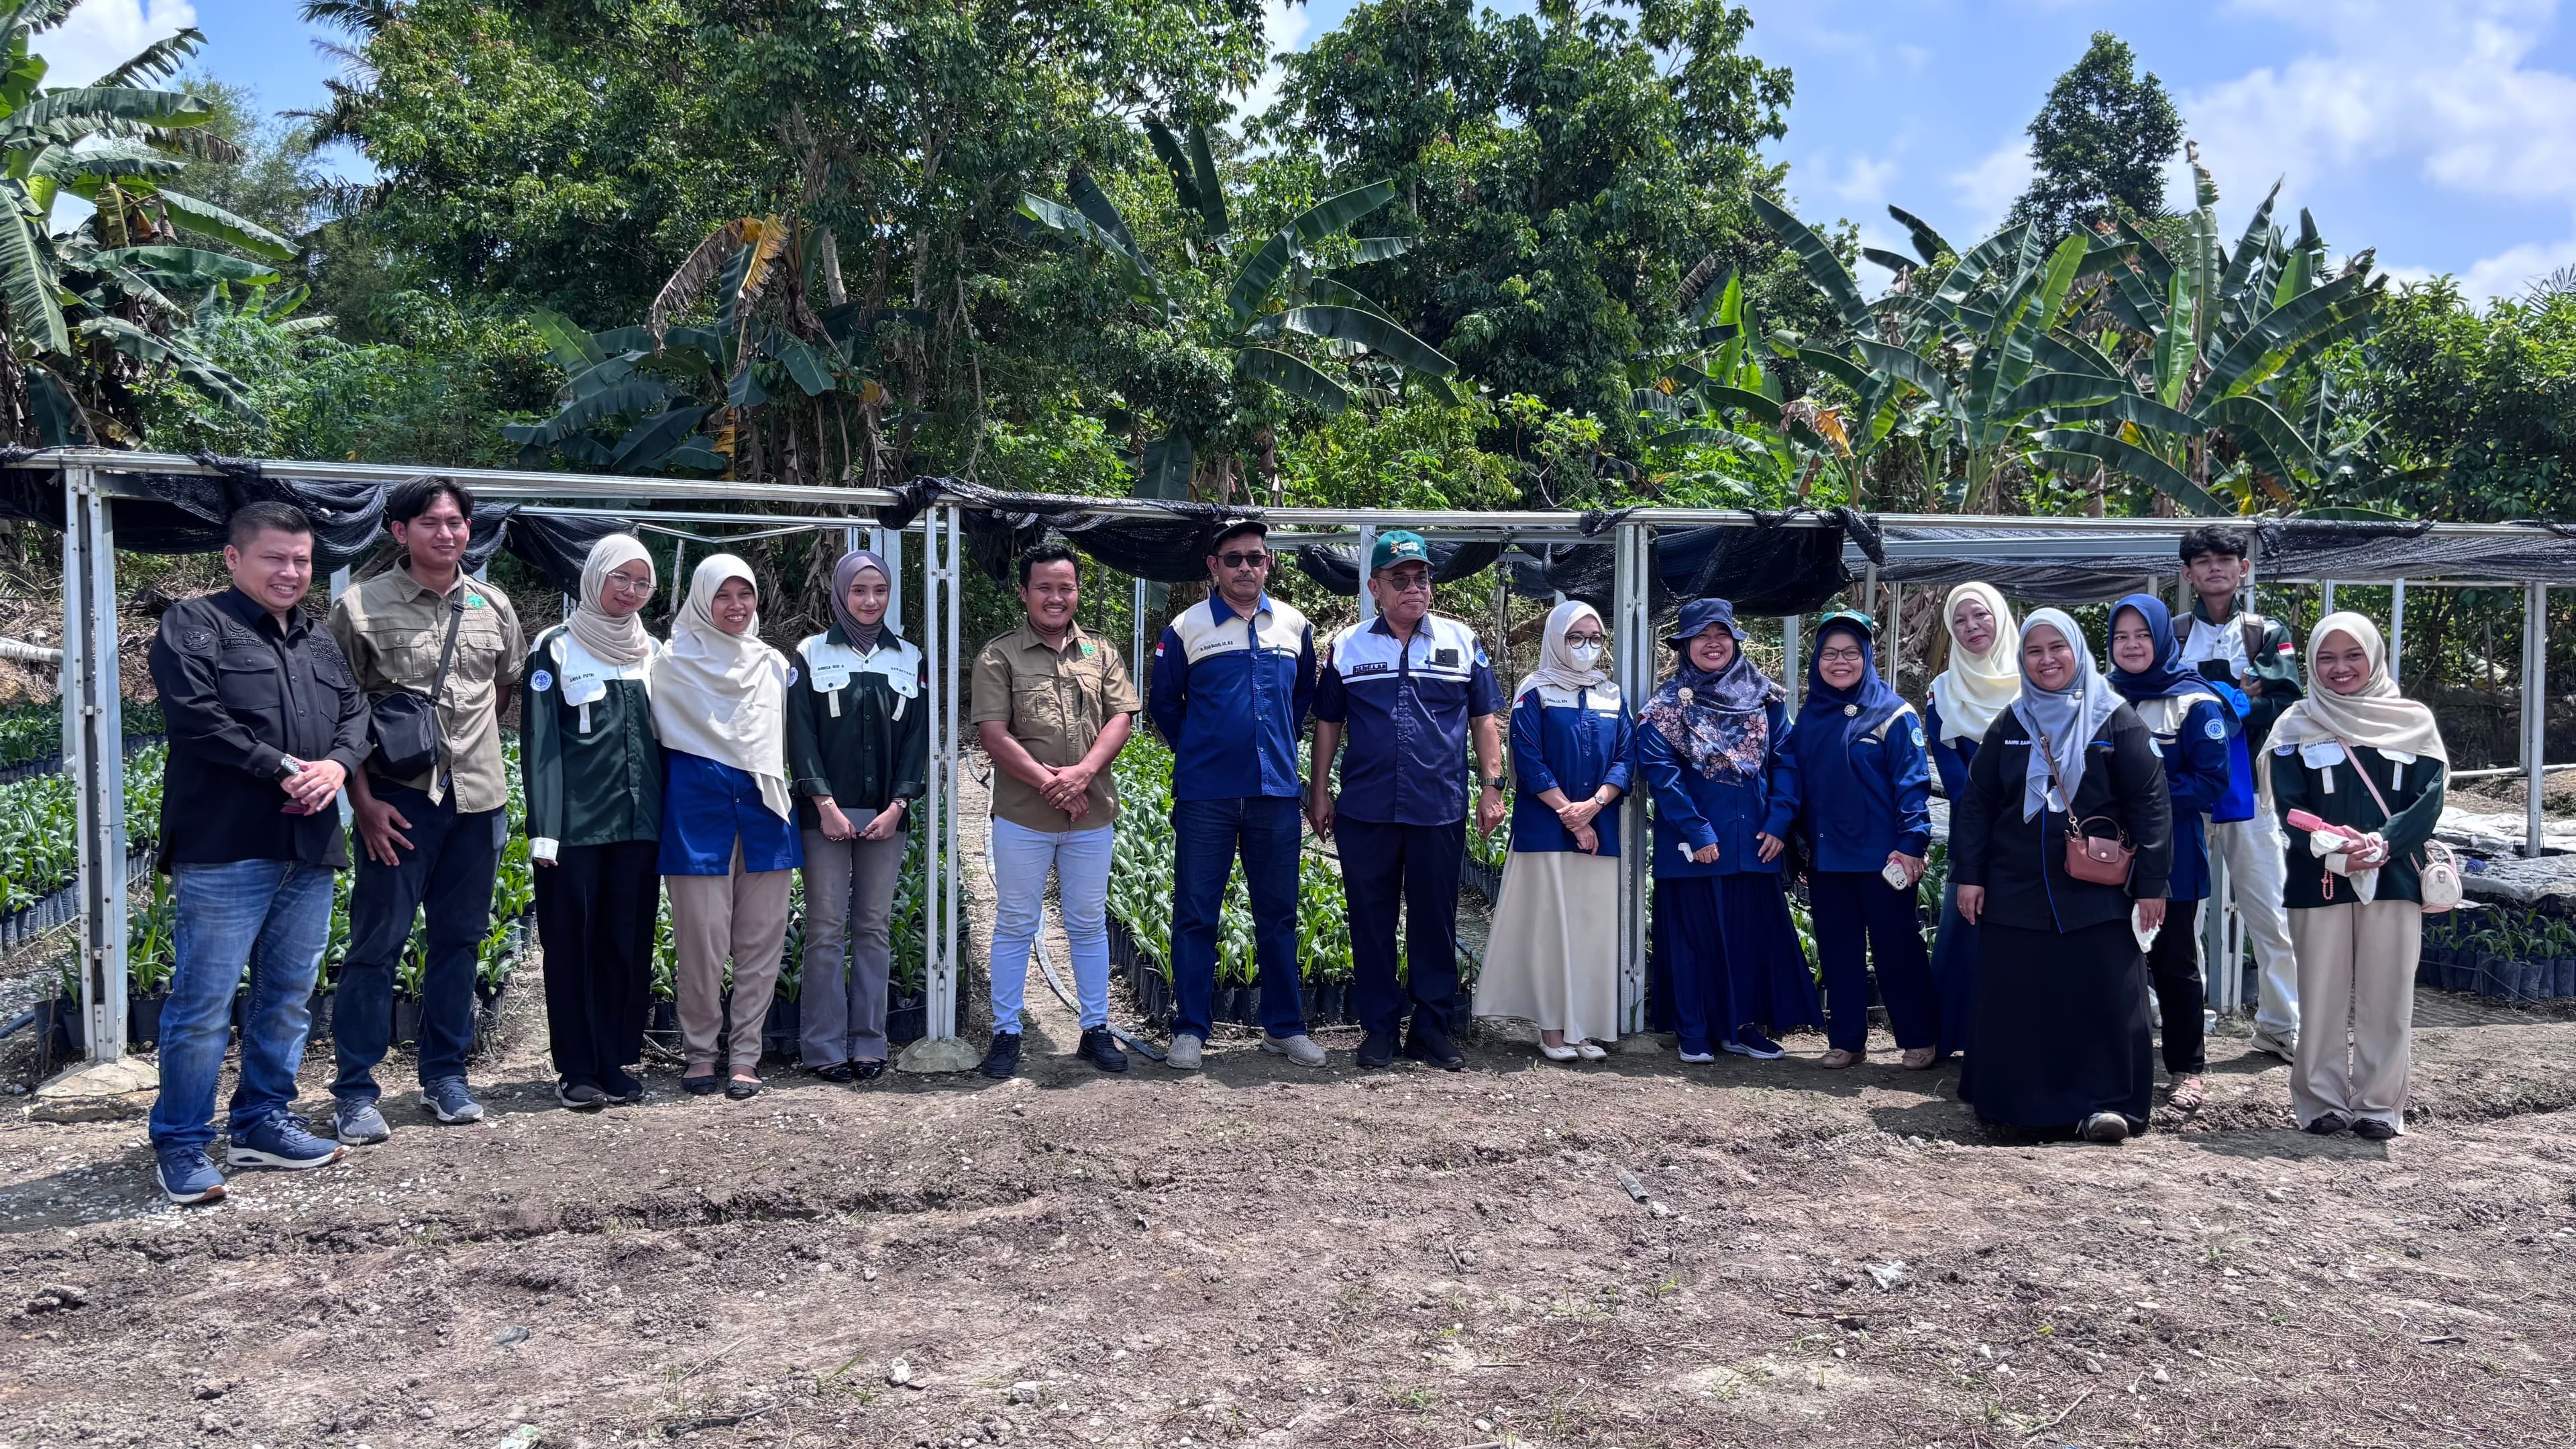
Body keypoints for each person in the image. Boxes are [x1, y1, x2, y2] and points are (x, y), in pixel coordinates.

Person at [143, 502, 368, 1203]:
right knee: (204, 1002)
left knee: (288, 998)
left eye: (302, 560)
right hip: (226, 846)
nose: (291, 572)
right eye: (276, 558)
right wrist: (280, 766)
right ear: (234, 559)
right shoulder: (194, 624)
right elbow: (195, 716)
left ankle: (261, 1122)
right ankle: (181, 1142)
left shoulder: (318, 637)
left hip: (308, 844)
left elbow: (357, 711)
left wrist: (335, 766)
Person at [327, 478, 524, 1143]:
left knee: (460, 943)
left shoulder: (493, 605)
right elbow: (343, 715)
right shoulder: (360, 608)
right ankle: (355, 1090)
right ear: (399, 531)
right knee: (376, 946)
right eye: (431, 522)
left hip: (479, 802)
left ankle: (445, 1076)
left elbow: (499, 692)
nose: (447, 534)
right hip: (399, 805)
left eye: (457, 522)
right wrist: (365, 803)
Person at [1952, 609, 2173, 1143]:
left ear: (2077, 651)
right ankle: (2018, 1107)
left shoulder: (2116, 720)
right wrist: (1970, 876)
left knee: (2101, 998)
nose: (2046, 660)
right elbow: (1978, 805)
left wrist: (2152, 885)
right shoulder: (2010, 723)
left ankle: (2106, 1107)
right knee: (2022, 998)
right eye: (2034, 651)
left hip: (2096, 896)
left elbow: (2151, 807)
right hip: (2016, 894)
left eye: (2057, 648)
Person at [1310, 530, 1506, 1071]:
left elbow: (1484, 720)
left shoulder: (1462, 641)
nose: (1414, 587)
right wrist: (1319, 790)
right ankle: (1378, 1030)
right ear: (1375, 588)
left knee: (1435, 921)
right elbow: (1329, 723)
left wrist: (1493, 787)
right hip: (1365, 810)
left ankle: (1431, 1028)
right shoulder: (1348, 645)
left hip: (1437, 807)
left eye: (1421, 578)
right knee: (1370, 922)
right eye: (1400, 579)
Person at [1145, 520, 1326, 1071]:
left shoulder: (1293, 625)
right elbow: (1164, 704)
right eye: (1234, 559)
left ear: (1268, 563)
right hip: (1207, 796)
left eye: (1255, 557)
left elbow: (1302, 697)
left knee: (1279, 914)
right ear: (1214, 567)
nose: (1246, 567)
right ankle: (1191, 1030)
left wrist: (1271, 743)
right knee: (1196, 913)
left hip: (1274, 794)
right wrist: (1202, 748)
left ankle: (1284, 1028)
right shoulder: (1187, 628)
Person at [2263, 613, 2447, 1140]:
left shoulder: (2411, 721)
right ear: (2312, 664)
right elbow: (2289, 807)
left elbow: (2427, 799)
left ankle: (2379, 1106)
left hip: (2395, 877)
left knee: (2386, 996)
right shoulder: (2295, 725)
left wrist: (2385, 843)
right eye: (2327, 657)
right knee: (2318, 992)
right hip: (2318, 878)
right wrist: (2335, 848)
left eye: (2352, 656)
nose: (2339, 668)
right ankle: (2319, 1102)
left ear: (2374, 657)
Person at [970, 543, 1140, 1079]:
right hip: (1024, 815)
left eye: (1065, 587)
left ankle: (1095, 1029)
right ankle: (1007, 1032)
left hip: (1091, 815)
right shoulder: (999, 656)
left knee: (1088, 923)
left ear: (1077, 592)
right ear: (1024, 593)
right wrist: (1053, 783)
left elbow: (1120, 719)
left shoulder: (1101, 652)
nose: (1055, 597)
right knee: (1017, 922)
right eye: (1044, 587)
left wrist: (1083, 774)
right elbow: (994, 735)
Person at [1635, 598, 1821, 1063]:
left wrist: (1779, 822)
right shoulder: (1665, 707)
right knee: (1692, 939)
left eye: (1721, 635)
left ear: (1736, 642)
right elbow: (1661, 773)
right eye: (1702, 636)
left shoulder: (1766, 698)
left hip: (1755, 841)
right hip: (1693, 845)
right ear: (1685, 645)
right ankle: (1694, 1029)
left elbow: (1787, 762)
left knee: (1747, 937)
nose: (1712, 644)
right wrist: (1697, 832)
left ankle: (1742, 1027)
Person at [522, 533, 663, 1111]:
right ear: (594, 577)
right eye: (620, 579)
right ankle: (576, 1066)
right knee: (571, 944)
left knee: (625, 943)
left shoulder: (652, 650)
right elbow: (541, 745)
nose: (630, 591)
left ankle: (614, 1059)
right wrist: (545, 828)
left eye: (642, 582)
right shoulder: (555, 649)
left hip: (638, 824)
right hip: (576, 829)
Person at [653, 554, 801, 1100]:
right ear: (700, 599)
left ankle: (745, 1056)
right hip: (697, 817)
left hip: (765, 814)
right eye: (723, 596)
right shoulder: (669, 663)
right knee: (701, 945)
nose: (736, 606)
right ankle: (698, 1054)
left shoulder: (771, 664)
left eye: (745, 595)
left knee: (761, 944)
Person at [788, 549, 928, 1084]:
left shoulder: (908, 657)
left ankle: (869, 1042)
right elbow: (799, 735)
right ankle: (822, 1046)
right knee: (825, 927)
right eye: (859, 591)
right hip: (823, 813)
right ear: (840, 593)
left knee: (873, 926)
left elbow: (917, 737)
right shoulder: (809, 654)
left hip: (886, 815)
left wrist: (899, 805)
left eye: (880, 591)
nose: (870, 601)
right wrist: (823, 804)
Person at [1477, 600, 1632, 1061]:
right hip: (1545, 830)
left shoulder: (1611, 694)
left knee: (1589, 928)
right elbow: (1528, 758)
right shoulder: (1535, 692)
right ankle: (1551, 1028)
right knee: (1550, 928)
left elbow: (1627, 758)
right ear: (1555, 640)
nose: (1586, 647)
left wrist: (1595, 806)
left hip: (1599, 830)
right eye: (1575, 638)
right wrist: (1570, 813)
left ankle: (1581, 1025)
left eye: (1595, 639)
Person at [1784, 611, 1937, 1069]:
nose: (1840, 662)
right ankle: (1847, 1041)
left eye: (1851, 653)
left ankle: (1919, 1038)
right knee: (1838, 949)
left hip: (1885, 858)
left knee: (1898, 949)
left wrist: (1913, 843)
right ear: (1818, 661)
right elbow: (1800, 789)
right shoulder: (1809, 719)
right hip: (1829, 859)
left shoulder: (1894, 713)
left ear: (1867, 657)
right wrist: (1802, 846)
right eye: (1830, 653)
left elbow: (1912, 784)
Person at [2175, 525, 2302, 1061]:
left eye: (2225, 559)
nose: (2214, 569)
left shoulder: (2266, 633)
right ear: (2188, 573)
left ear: (2243, 568)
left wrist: (2245, 706)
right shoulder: (2172, 630)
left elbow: (2290, 703)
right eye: (2202, 561)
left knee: (2269, 908)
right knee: (2187, 910)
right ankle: (2187, 1018)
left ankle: (2281, 1025)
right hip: (2187, 792)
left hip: (2251, 791)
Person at [2105, 593, 2231, 1116]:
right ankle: (2112, 1063)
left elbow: (2211, 782)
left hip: (2172, 856)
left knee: (2173, 961)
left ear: (2163, 639)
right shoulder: (2101, 695)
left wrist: (2141, 794)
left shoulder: (2196, 703)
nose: (2132, 646)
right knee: (2110, 959)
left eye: (2142, 635)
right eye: (2121, 637)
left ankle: (2187, 1070)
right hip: (2107, 856)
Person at [1923, 582, 2019, 1062]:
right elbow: (1959, 782)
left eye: (1980, 616)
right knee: (1967, 930)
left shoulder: (2038, 683)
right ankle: (1952, 1033)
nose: (1972, 628)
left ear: (2000, 617)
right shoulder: (1942, 695)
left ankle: (2014, 1039)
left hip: (2034, 836)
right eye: (1959, 621)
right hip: (1976, 836)